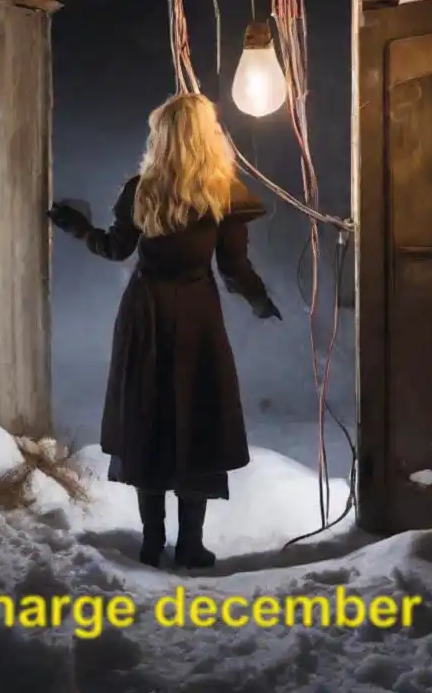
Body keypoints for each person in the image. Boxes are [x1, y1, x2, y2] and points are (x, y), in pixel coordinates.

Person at [48, 92, 281, 571]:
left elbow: (115, 249)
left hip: (146, 312)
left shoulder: (142, 190)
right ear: (206, 136)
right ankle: (190, 544)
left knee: (148, 414)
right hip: (196, 315)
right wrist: (260, 302)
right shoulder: (223, 191)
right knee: (195, 414)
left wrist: (78, 227)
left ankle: (153, 542)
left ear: (163, 137)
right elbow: (234, 269)